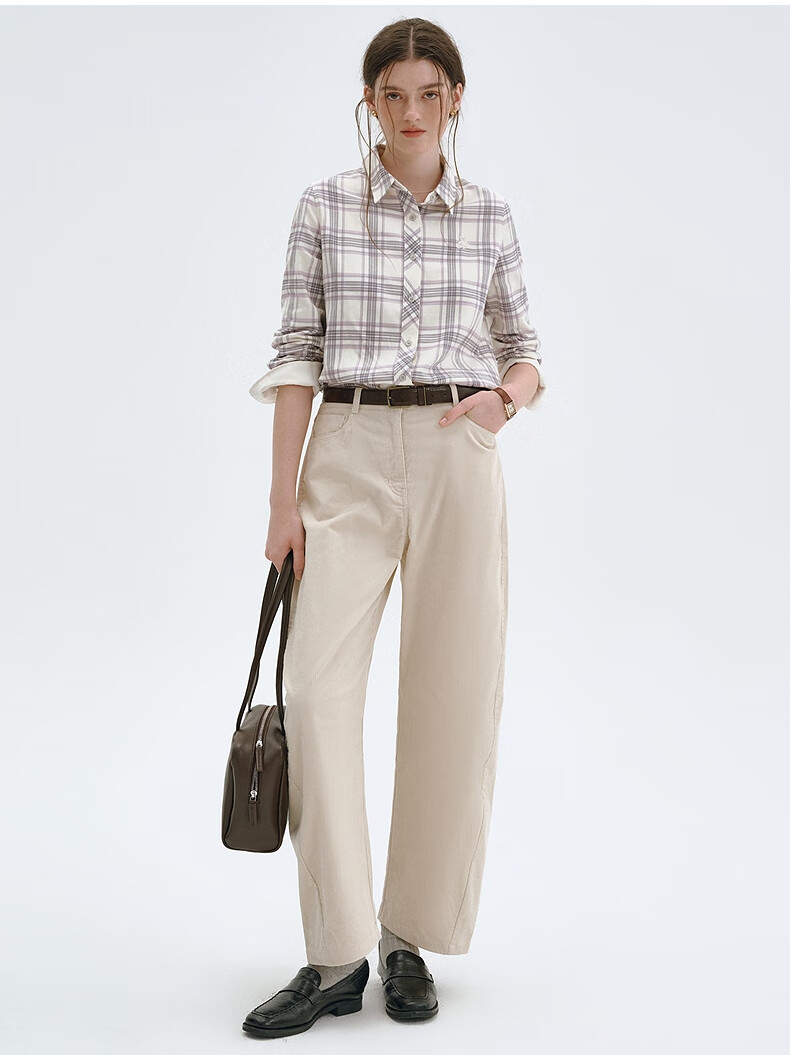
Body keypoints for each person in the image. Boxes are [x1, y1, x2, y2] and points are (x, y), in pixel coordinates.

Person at [241, 16, 545, 1040]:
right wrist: (282, 499)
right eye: (392, 93)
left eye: (429, 93)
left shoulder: (490, 214)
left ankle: (409, 933)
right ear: (369, 101)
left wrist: (506, 398)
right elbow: (296, 352)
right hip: (349, 448)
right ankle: (336, 951)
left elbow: (525, 347)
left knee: (454, 692)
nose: (410, 112)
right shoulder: (324, 205)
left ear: (456, 98)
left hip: (460, 449)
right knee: (313, 690)